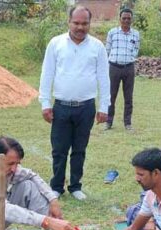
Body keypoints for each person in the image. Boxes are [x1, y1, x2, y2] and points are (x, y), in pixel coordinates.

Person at [39, 6, 110, 201]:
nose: (80, 27)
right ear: (69, 22)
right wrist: (45, 103)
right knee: (59, 149)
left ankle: (76, 186)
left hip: (86, 107)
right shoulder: (56, 44)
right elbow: (47, 74)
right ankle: (56, 187)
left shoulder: (97, 47)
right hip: (61, 106)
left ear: (90, 23)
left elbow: (104, 78)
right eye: (76, 23)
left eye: (84, 23)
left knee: (79, 149)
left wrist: (104, 107)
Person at [104, 8, 140, 131]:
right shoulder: (112, 32)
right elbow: (107, 50)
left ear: (132, 19)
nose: (126, 20)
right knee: (111, 96)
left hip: (129, 68)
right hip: (114, 67)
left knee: (128, 97)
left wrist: (129, 57)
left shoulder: (136, 34)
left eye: (128, 18)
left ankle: (128, 123)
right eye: (124, 18)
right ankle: (108, 122)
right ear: (120, 19)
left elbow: (136, 50)